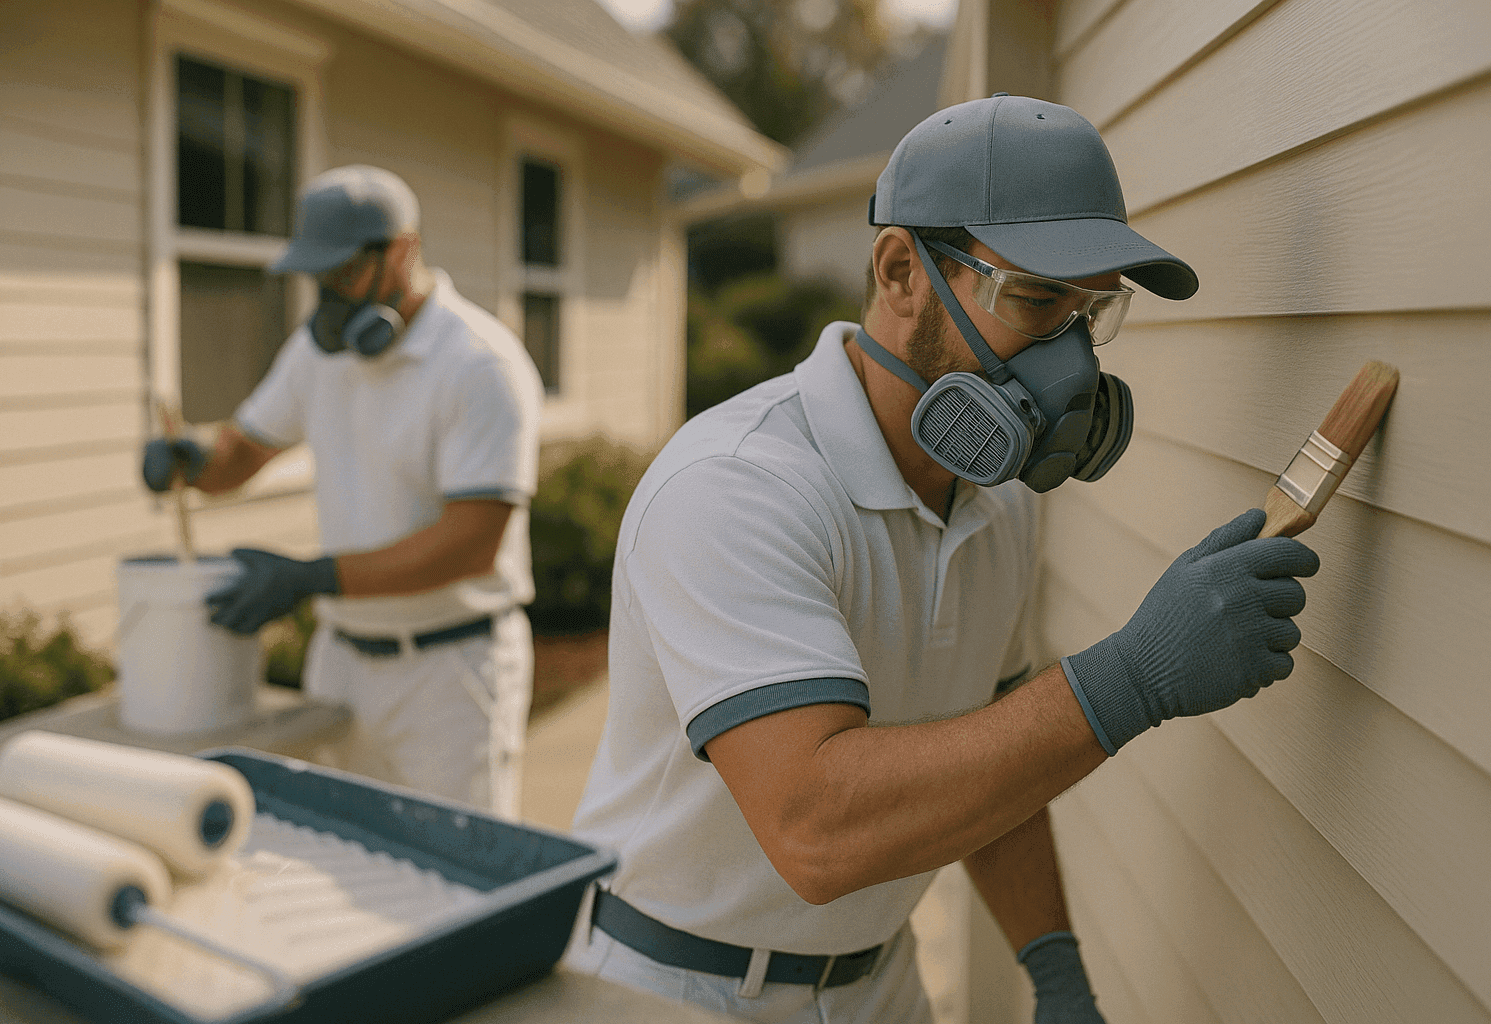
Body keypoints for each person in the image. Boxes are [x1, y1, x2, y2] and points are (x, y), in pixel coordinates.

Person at [564, 95, 1319, 1024]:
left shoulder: (998, 505)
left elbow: (989, 751)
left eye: (1091, 313)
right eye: (1037, 301)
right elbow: (815, 828)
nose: (1070, 364)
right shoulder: (734, 490)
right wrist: (1132, 679)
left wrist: (1054, 970)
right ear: (899, 271)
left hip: (880, 983)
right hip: (678, 989)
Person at [141, 165, 544, 817]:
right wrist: (192, 457)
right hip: (341, 664)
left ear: (402, 253)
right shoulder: (316, 353)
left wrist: (310, 578)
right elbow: (242, 453)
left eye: (344, 273)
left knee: (455, 880)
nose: (327, 296)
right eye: (316, 276)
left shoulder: (478, 365)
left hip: (449, 674)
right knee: (339, 855)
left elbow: (470, 543)